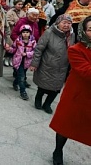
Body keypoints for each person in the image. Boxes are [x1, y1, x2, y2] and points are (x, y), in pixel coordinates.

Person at [49, 16, 91, 165]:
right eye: (90, 29)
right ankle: (58, 150)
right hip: (77, 95)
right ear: (84, 32)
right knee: (65, 126)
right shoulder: (75, 50)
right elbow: (86, 72)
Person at [30, 14, 75, 114]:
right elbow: (39, 49)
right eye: (64, 23)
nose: (66, 25)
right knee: (43, 86)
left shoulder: (71, 35)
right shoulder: (49, 33)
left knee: (56, 89)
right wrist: (35, 63)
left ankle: (47, 104)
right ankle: (38, 99)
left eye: (69, 23)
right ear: (58, 23)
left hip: (62, 67)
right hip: (47, 65)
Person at [7, 25, 36, 100]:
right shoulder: (18, 40)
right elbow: (13, 49)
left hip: (27, 62)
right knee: (22, 77)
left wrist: (27, 54)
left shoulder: (33, 42)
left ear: (30, 33)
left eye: (27, 32)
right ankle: (23, 92)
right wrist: (8, 49)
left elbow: (35, 52)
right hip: (18, 61)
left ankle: (15, 83)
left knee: (20, 76)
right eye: (24, 32)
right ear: (21, 33)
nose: (25, 34)